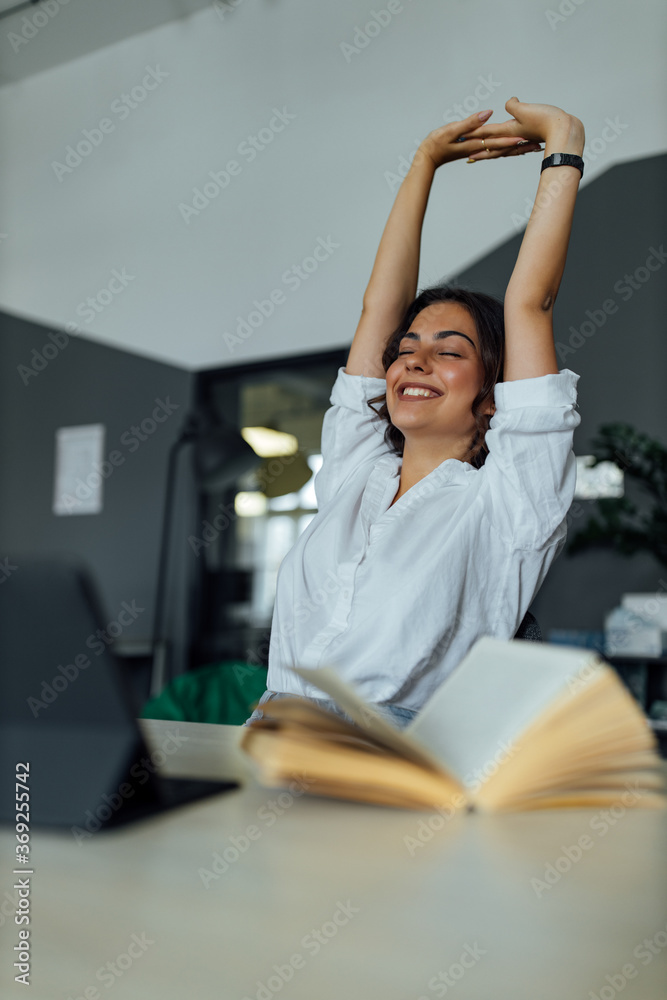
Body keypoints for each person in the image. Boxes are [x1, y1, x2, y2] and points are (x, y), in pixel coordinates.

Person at [244, 97, 585, 730]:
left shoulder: (511, 502)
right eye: (407, 351)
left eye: (449, 351)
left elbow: (529, 303)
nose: (414, 362)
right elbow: (380, 305)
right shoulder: (355, 475)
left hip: (392, 760)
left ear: (494, 389)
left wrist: (564, 145)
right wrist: (423, 164)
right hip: (270, 734)